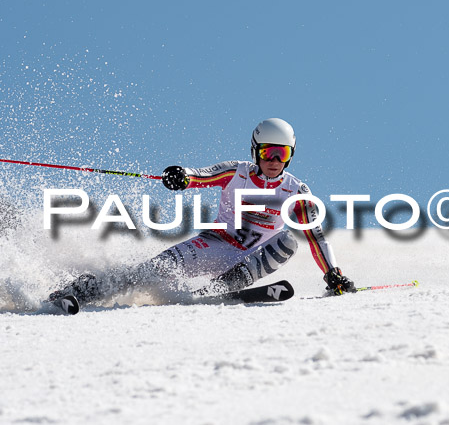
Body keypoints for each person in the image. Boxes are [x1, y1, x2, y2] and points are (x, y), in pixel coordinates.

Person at [48, 118, 355, 311]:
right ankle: (78, 291)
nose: (273, 161)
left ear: (290, 156)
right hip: (214, 245)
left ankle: (220, 288)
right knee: (146, 272)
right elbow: (200, 175)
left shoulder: (296, 191)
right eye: (266, 153)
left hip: (254, 258)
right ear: (255, 151)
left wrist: (333, 273)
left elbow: (316, 237)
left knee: (290, 240)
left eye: (281, 154)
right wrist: (181, 176)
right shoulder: (237, 172)